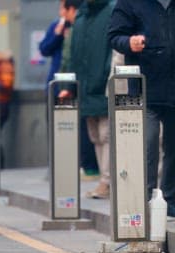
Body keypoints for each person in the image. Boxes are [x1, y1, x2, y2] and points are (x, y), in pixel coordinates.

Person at [108, 0, 175, 221]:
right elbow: (114, 36)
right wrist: (129, 42)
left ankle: (169, 201)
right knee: (148, 144)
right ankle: (144, 200)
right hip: (145, 87)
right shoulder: (130, 3)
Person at [39, 0, 99, 182]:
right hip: (56, 84)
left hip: (76, 84)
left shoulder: (83, 26)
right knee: (55, 127)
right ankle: (57, 166)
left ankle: (85, 166)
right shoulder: (57, 26)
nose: (61, 12)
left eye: (62, 8)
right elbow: (44, 49)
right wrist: (57, 35)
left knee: (81, 128)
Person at [69, 0, 114, 199]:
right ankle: (103, 181)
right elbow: (74, 55)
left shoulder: (112, 10)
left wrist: (105, 78)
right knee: (95, 136)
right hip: (84, 87)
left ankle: (107, 181)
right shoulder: (81, 16)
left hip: (103, 85)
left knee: (107, 135)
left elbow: (113, 52)